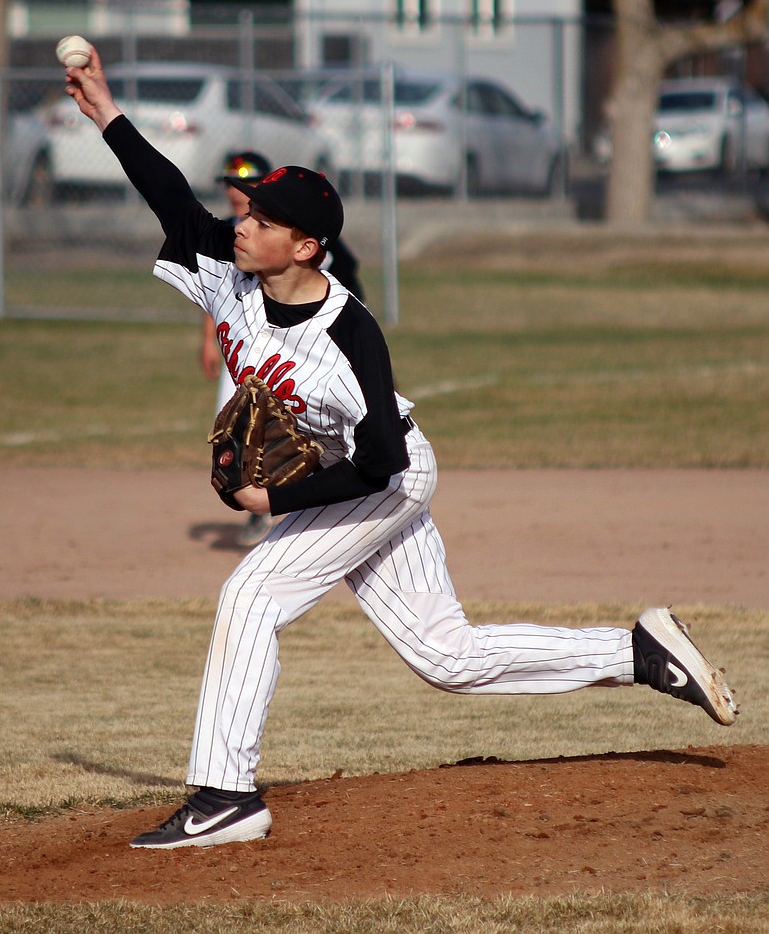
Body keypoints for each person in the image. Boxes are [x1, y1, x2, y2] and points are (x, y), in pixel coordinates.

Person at [63, 44, 738, 851]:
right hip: (351, 476)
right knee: (445, 655)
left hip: (383, 476)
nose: (244, 225)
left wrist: (273, 500)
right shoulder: (230, 267)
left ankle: (225, 796)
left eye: (264, 220)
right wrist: (106, 110)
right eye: (247, 212)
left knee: (250, 595)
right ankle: (640, 650)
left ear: (306, 246)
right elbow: (169, 196)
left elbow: (380, 459)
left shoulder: (349, 336)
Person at [203, 150, 366, 548]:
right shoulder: (231, 232)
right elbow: (217, 292)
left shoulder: (300, 235)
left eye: (247, 183)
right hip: (247, 350)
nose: (233, 191)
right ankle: (264, 509)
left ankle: (295, 502)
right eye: (229, 182)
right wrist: (208, 339)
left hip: (304, 351)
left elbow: (345, 297)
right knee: (242, 424)